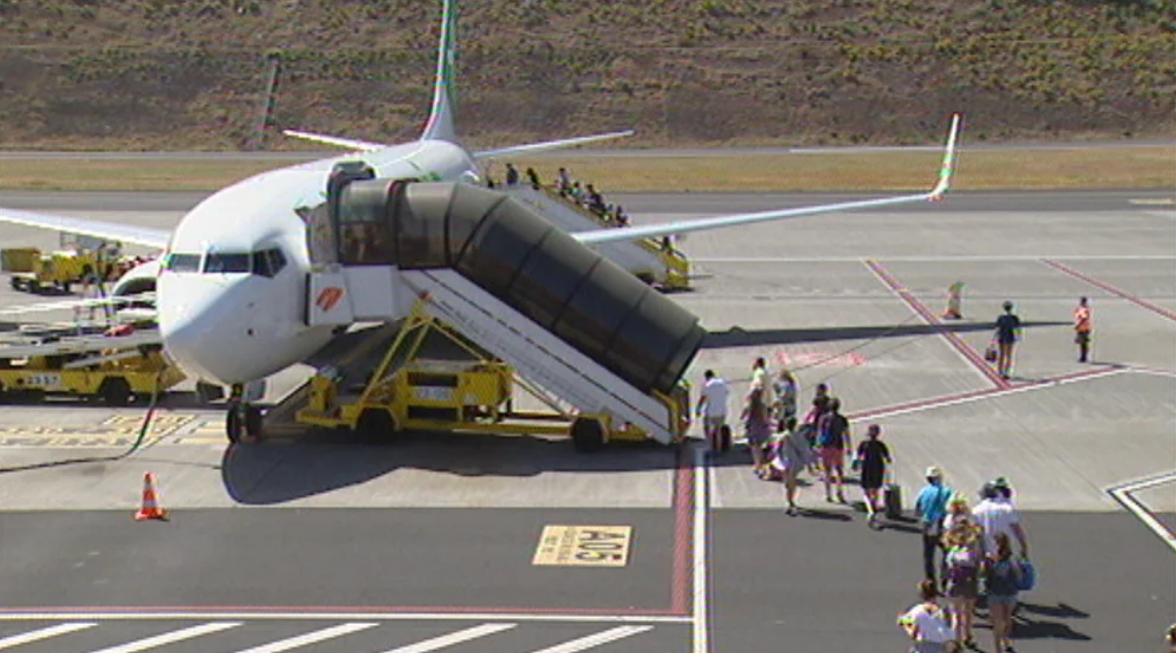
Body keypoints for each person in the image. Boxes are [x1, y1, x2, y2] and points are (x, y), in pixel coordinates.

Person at [942, 500, 983, 649]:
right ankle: (968, 636)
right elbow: (979, 564)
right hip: (970, 582)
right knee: (968, 613)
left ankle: (956, 643)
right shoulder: (973, 548)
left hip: (954, 583)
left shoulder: (952, 550)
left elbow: (947, 566)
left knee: (956, 616)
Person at [985, 532, 1023, 653]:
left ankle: (1001, 646)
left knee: (999, 622)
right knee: (1006, 620)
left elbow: (983, 574)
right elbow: (1019, 576)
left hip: (995, 593)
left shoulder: (992, 559)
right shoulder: (1012, 559)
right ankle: (1003, 645)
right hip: (1009, 593)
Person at [915, 467, 954, 585]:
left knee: (928, 554)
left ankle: (930, 581)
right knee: (947, 552)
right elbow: (951, 508)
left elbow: (918, 509)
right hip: (941, 524)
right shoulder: (947, 492)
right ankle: (945, 578)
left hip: (927, 524)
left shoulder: (923, 492)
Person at [897, 579, 957, 653]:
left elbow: (913, 633)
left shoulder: (918, 611)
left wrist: (905, 625)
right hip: (942, 648)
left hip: (924, 647)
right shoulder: (946, 610)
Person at [974, 481, 1029, 560]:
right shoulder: (1006, 509)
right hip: (1004, 553)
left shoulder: (976, 511)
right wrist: (1023, 547)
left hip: (985, 555)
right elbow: (1017, 530)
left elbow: (976, 533)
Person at [770, 418, 812, 515]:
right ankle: (790, 501)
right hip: (795, 461)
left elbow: (776, 448)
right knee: (792, 482)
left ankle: (789, 500)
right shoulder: (799, 436)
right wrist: (809, 463)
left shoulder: (782, 436)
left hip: (784, 461)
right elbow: (804, 450)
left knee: (788, 482)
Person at [816, 397, 851, 503]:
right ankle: (839, 492)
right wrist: (849, 447)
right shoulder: (842, 419)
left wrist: (818, 445)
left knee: (827, 471)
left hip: (826, 446)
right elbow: (846, 434)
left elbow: (819, 433)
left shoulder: (823, 418)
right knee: (839, 471)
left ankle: (828, 494)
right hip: (838, 446)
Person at [855, 423, 891, 523]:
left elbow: (858, 457)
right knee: (876, 489)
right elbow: (888, 458)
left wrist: (856, 465)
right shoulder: (881, 445)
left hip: (867, 467)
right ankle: (874, 506)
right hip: (878, 468)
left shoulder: (863, 444)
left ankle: (870, 510)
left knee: (866, 491)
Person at [742, 382, 773, 476]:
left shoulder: (749, 405)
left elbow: (743, 415)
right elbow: (765, 418)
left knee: (754, 448)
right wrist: (769, 425)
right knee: (760, 447)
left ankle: (757, 465)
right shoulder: (762, 406)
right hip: (761, 427)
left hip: (752, 427)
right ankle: (760, 465)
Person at [696, 370, 730, 454]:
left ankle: (710, 447)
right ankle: (718, 448)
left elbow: (702, 399)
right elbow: (727, 393)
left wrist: (698, 409)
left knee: (709, 430)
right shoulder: (722, 383)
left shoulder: (707, 385)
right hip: (722, 411)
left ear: (706, 377)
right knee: (718, 430)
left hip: (711, 411)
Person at [993, 301, 1022, 380]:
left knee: (1001, 355)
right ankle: (1006, 372)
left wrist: (993, 340)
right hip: (1010, 338)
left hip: (1002, 337)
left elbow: (997, 329)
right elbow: (1017, 329)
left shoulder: (1001, 318)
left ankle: (1000, 371)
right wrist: (1018, 337)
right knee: (1009, 355)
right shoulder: (1014, 318)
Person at [772, 368, 799, 432]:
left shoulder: (786, 385)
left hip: (785, 410)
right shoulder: (793, 384)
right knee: (789, 428)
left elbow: (783, 397)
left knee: (781, 427)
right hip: (792, 408)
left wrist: (775, 404)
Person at [1074, 296, 1092, 363]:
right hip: (1081, 327)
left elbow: (1083, 318)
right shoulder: (1079, 309)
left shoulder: (1085, 309)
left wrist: (1078, 325)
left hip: (1084, 327)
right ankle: (1083, 356)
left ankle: (1084, 357)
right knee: (1081, 342)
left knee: (1083, 342)